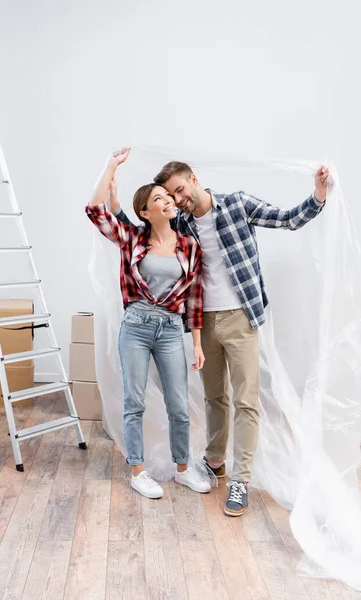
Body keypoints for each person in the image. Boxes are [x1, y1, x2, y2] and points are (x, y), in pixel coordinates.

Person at [112, 155, 329, 515]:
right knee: (215, 398)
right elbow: (139, 231)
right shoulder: (179, 222)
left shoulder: (237, 204)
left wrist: (318, 194)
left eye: (180, 190)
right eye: (171, 196)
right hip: (203, 322)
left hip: (242, 318)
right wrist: (115, 193)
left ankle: (241, 480)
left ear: (194, 179)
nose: (178, 199)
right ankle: (215, 461)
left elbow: (288, 220)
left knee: (246, 400)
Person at [86, 148, 211, 499]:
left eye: (169, 196)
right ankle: (138, 472)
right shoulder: (133, 238)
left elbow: (195, 300)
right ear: (146, 211)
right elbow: (95, 211)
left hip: (172, 329)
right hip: (137, 326)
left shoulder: (190, 246)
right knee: (134, 402)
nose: (170, 200)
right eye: (160, 198)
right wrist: (110, 166)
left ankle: (183, 469)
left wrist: (197, 344)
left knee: (178, 406)